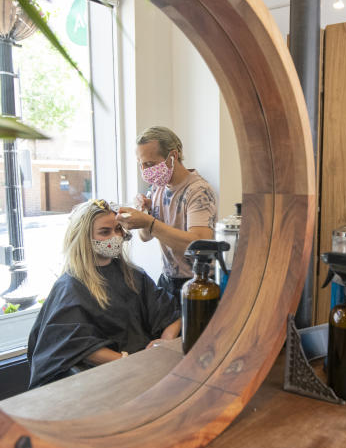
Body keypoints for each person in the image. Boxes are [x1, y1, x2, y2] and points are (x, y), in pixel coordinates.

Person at [27, 200, 181, 388]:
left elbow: (171, 313)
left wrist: (165, 343)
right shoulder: (71, 286)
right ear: (83, 237)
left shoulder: (133, 275)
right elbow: (75, 344)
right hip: (102, 378)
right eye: (105, 232)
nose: (115, 236)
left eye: (118, 229)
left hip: (144, 366)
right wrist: (128, 361)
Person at [116, 126, 218, 301]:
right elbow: (145, 236)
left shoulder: (198, 191)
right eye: (141, 165)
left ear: (173, 156)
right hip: (168, 280)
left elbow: (200, 244)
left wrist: (149, 222)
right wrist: (145, 213)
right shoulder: (157, 188)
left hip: (198, 284)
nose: (144, 171)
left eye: (149, 164)